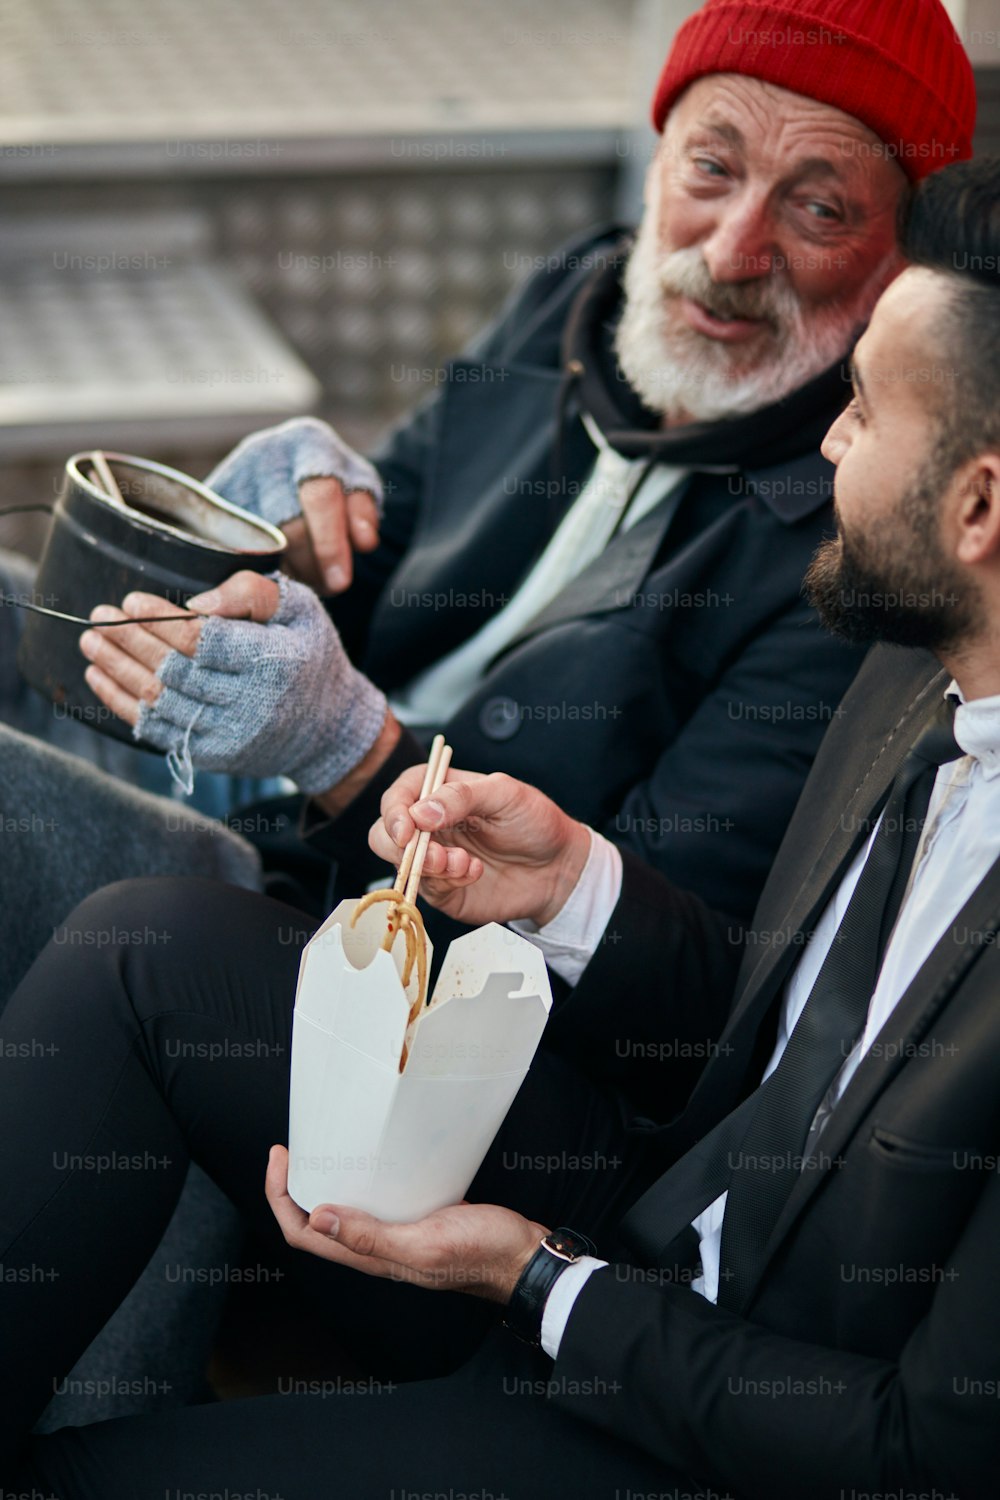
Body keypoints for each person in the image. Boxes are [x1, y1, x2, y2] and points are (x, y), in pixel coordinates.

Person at [3, 155, 998, 1499]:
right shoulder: (919, 663)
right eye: (711, 164)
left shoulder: (832, 606)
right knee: (147, 947)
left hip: (726, 1417)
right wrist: (573, 885)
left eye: (864, 417)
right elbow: (776, 1032)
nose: (831, 441)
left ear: (980, 508)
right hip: (635, 1216)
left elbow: (922, 1455)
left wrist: (535, 1279)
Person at [4, 0, 973, 954]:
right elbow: (377, 547)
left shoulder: (849, 545)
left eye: (817, 208)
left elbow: (647, 940)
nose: (728, 254)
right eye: (710, 168)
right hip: (258, 774)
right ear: (657, 155)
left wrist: (346, 755)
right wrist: (294, 540)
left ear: (898, 265)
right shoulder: (579, 297)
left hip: (357, 917)